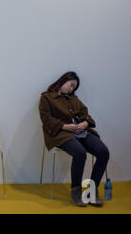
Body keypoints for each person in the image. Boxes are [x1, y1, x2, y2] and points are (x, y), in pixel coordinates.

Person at [38, 71, 109, 207]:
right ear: (63, 80)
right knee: (80, 153)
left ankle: (91, 192)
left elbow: (85, 113)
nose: (71, 89)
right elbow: (46, 119)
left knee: (103, 152)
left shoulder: (73, 99)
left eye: (74, 88)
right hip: (61, 133)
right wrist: (66, 126)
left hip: (81, 132)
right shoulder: (47, 97)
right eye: (71, 85)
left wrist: (85, 123)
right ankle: (76, 192)